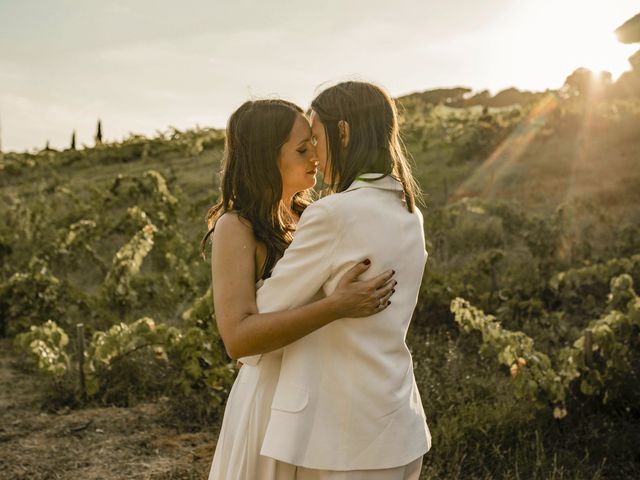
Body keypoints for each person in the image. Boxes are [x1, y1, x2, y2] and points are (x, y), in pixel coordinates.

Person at [204, 98, 396, 479]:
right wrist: (336, 306)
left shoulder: (315, 216)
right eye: (302, 149)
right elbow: (238, 340)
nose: (316, 156)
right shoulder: (236, 227)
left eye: (314, 143)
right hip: (271, 400)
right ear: (265, 156)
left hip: (321, 394)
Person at [252, 81, 432, 479]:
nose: (314, 152)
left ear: (344, 132)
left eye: (316, 137)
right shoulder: (409, 213)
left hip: (343, 439)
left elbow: (263, 312)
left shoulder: (333, 214)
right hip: (399, 423)